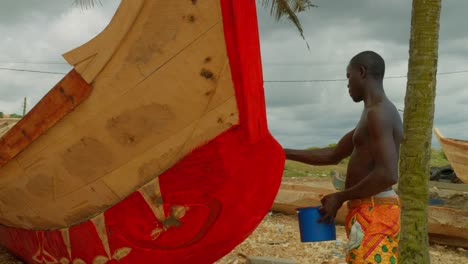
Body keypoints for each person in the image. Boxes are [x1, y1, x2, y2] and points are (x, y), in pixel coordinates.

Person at [284, 51, 403, 264]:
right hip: (366, 209)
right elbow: (333, 154)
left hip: (375, 211)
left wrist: (340, 196)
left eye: (348, 77)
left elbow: (387, 174)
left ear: (362, 72)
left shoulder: (379, 113)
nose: (347, 84)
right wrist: (281, 153)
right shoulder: (369, 115)